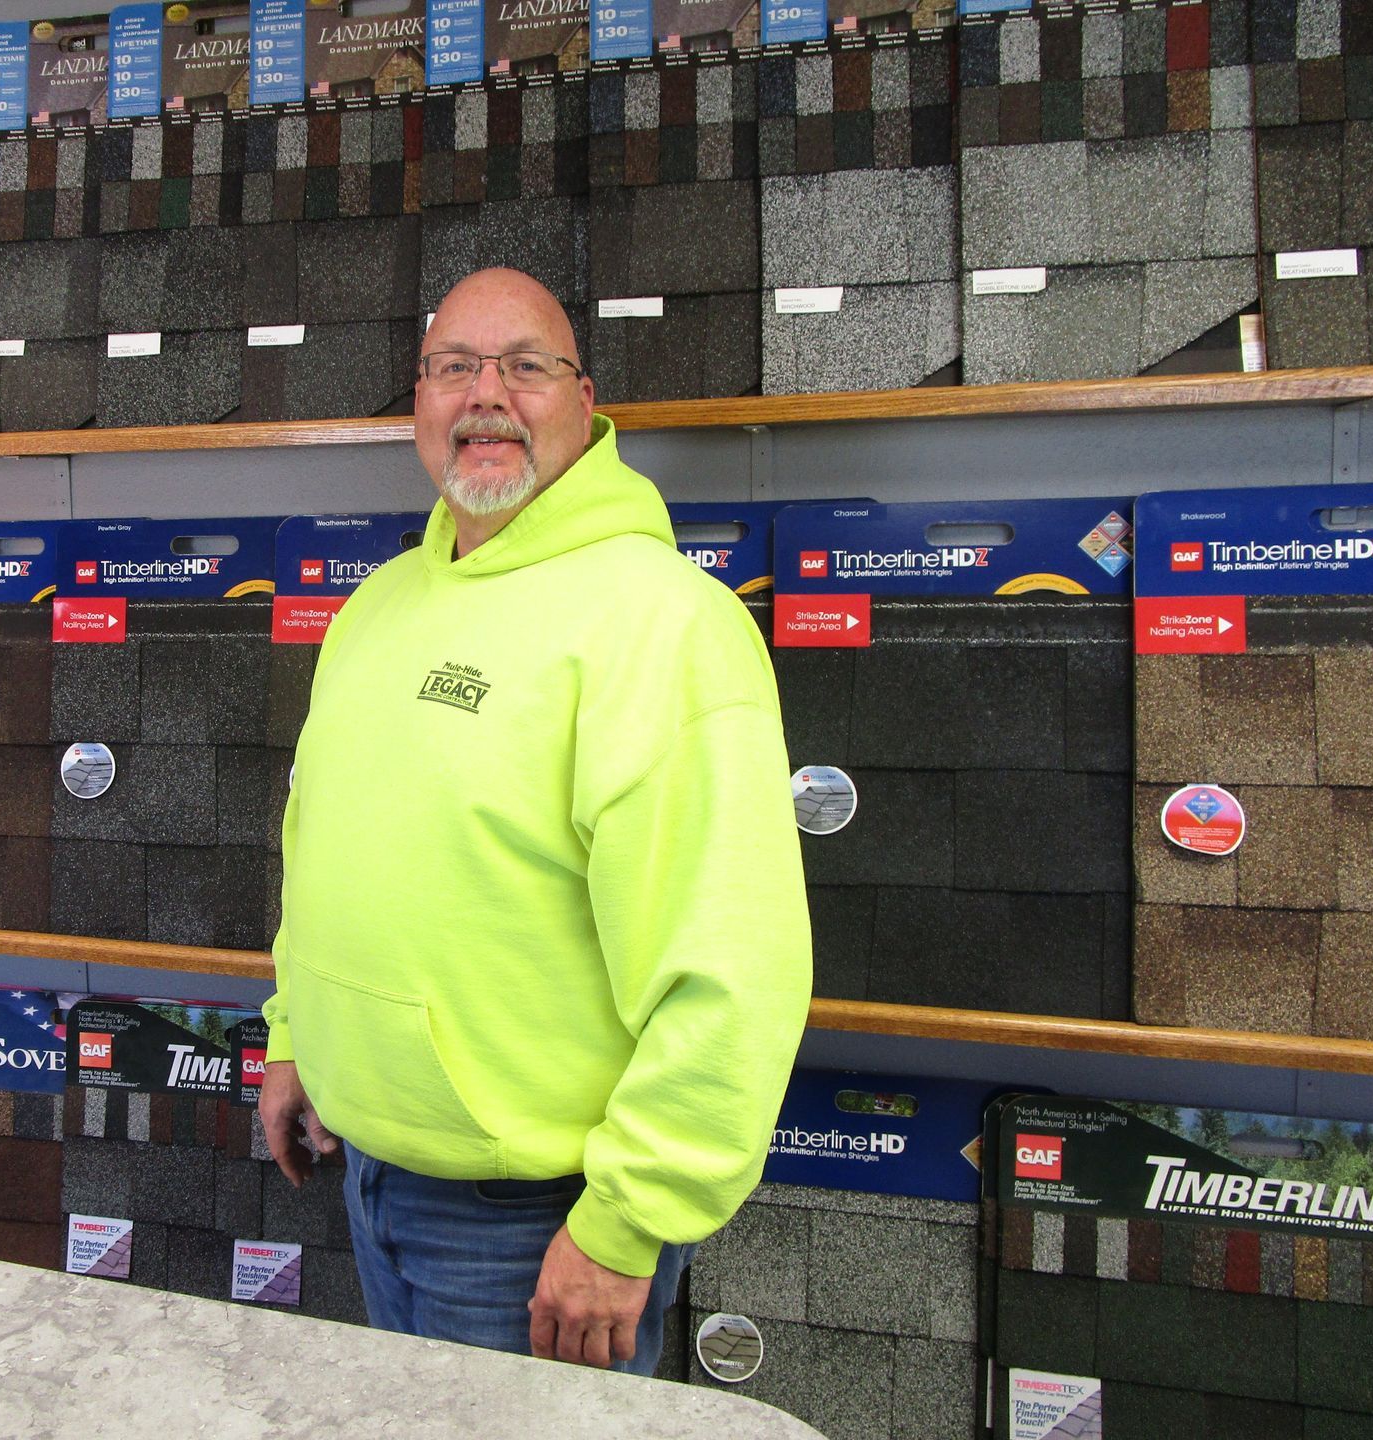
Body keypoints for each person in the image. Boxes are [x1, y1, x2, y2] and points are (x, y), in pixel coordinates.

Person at [258, 267, 811, 1376]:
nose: (486, 396)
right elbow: (322, 851)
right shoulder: (375, 610)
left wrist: (626, 1222)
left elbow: (734, 968)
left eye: (525, 366)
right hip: (367, 1173)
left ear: (585, 400)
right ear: (420, 399)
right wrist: (295, 1040)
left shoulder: (665, 625)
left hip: (535, 1229)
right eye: (453, 368)